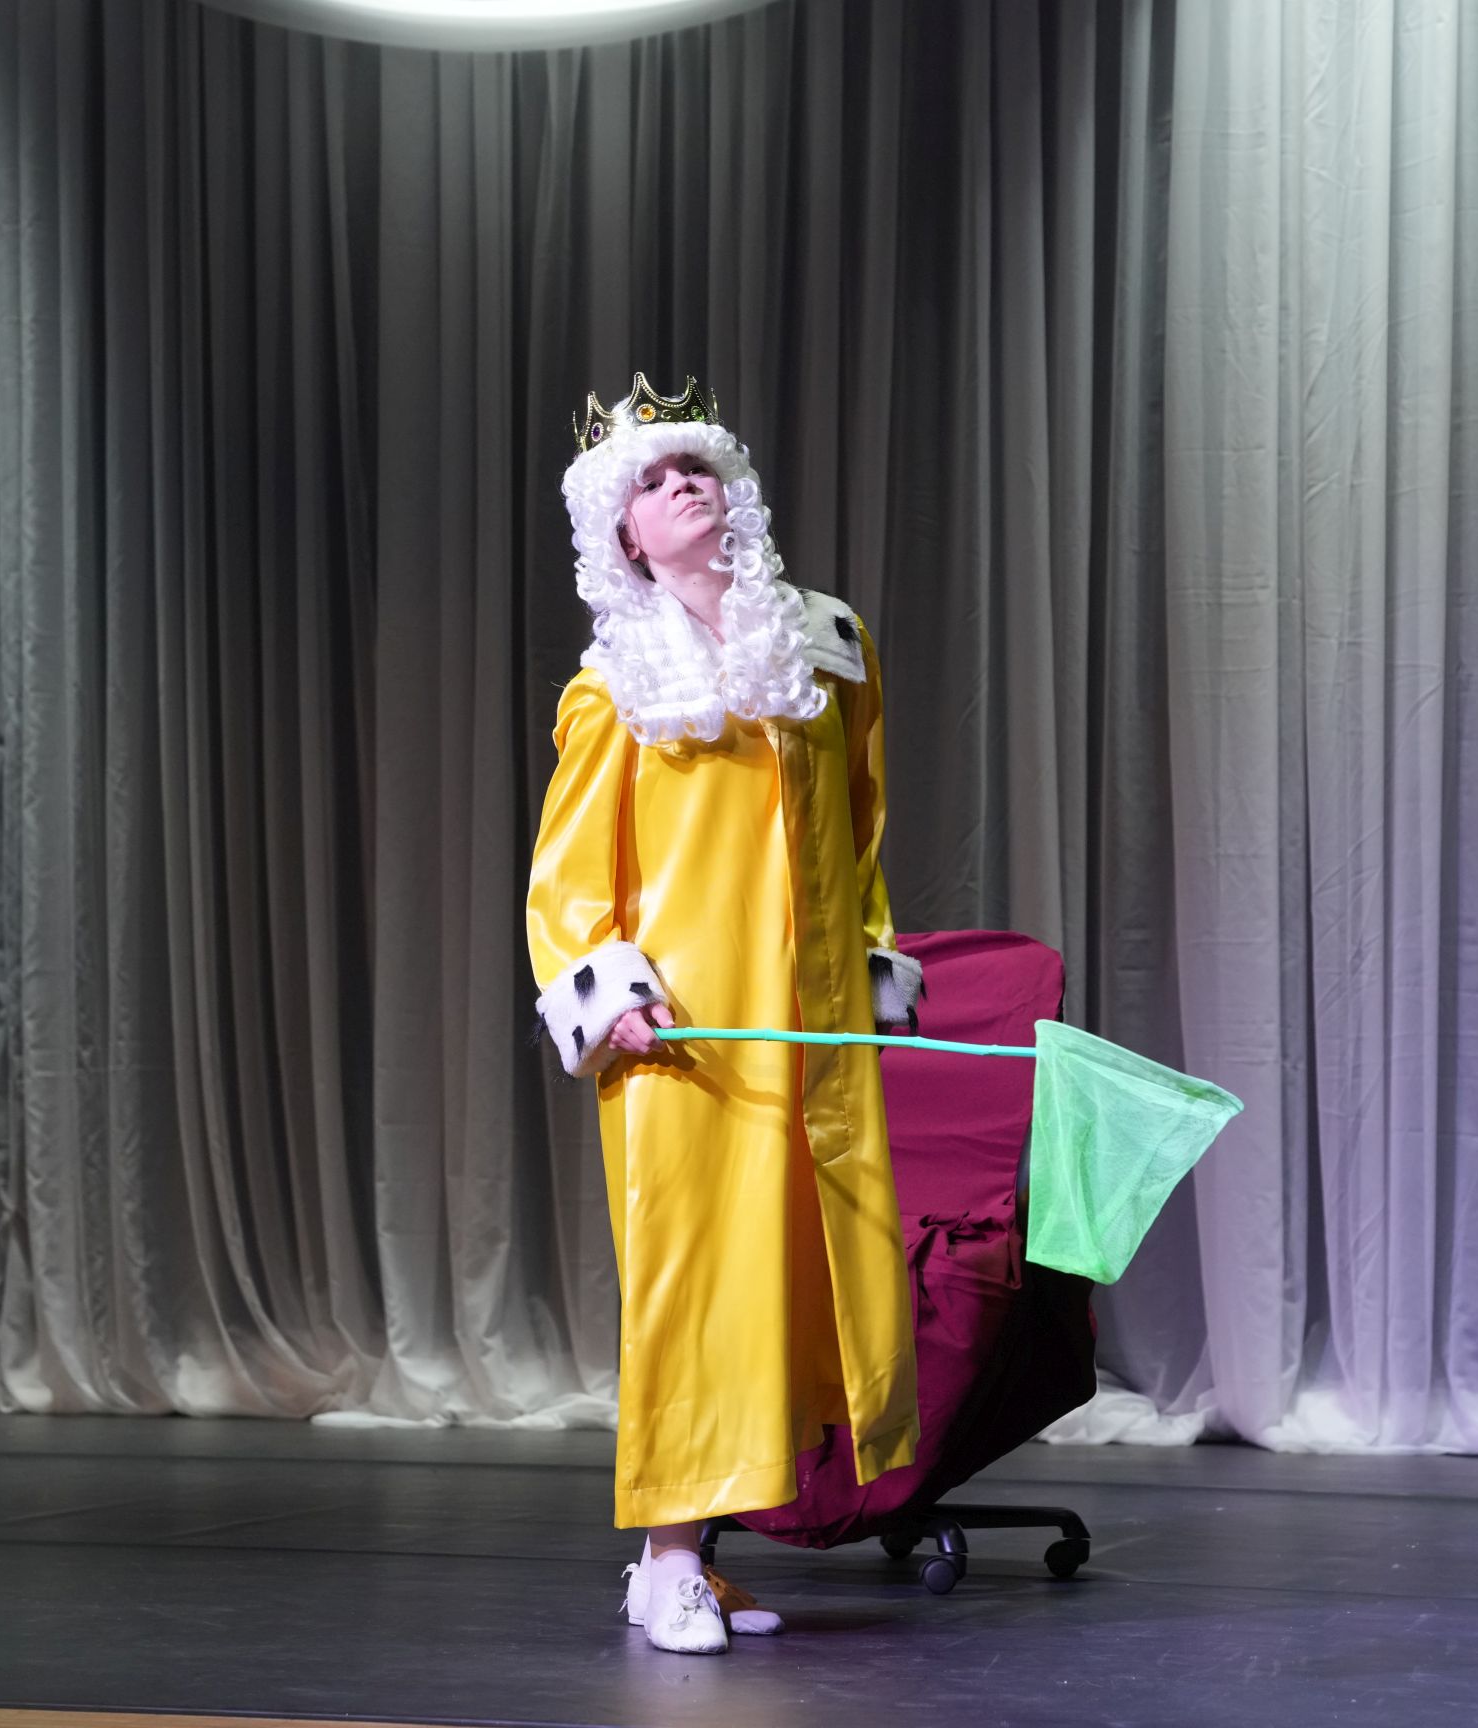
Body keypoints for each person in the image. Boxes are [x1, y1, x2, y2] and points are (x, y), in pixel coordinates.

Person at [528, 374, 926, 1655]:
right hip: (689, 1038)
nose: (681, 485)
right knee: (698, 1288)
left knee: (788, 1291)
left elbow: (859, 833)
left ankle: (692, 1562)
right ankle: (666, 1563)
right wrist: (610, 1000)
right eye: (650, 481)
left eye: (694, 466)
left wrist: (872, 966)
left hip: (807, 1030)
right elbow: (569, 883)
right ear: (626, 536)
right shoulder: (614, 688)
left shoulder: (827, 646)